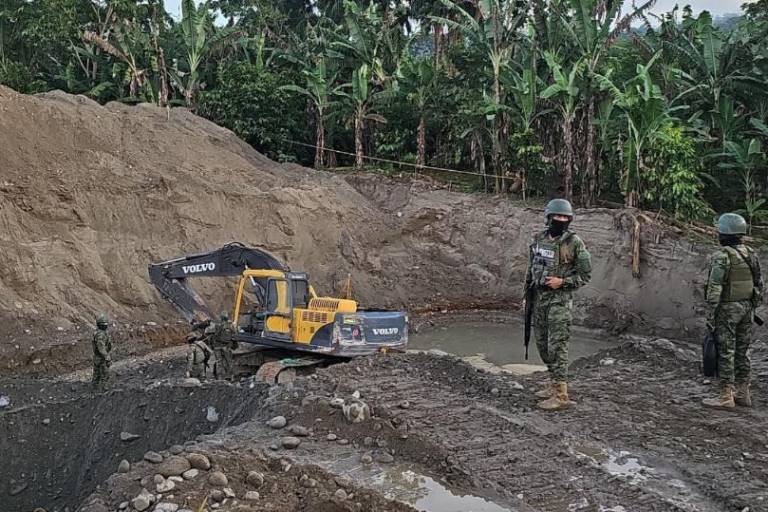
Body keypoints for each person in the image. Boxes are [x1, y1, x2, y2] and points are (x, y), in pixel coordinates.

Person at [524, 199, 592, 411]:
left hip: (560, 302)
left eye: (565, 217)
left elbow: (585, 275)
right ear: (549, 217)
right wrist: (527, 295)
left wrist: (563, 282)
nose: (561, 220)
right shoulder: (539, 239)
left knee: (557, 347)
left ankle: (561, 395)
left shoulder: (574, 243)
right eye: (557, 217)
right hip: (539, 299)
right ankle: (553, 383)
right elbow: (531, 268)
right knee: (542, 345)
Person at [703, 213, 763, 409]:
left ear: (724, 233)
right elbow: (758, 283)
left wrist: (711, 313)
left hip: (727, 309)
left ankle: (725, 396)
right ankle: (743, 393)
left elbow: (715, 288)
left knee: (725, 351)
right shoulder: (750, 253)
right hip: (747, 308)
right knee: (742, 351)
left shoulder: (722, 256)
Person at [92, 313, 113, 391]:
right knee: (104, 375)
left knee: (97, 375)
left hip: (98, 358)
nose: (105, 325)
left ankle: (94, 391)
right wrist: (107, 357)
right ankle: (104, 391)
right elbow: (101, 347)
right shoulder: (100, 335)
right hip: (101, 358)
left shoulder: (100, 333)